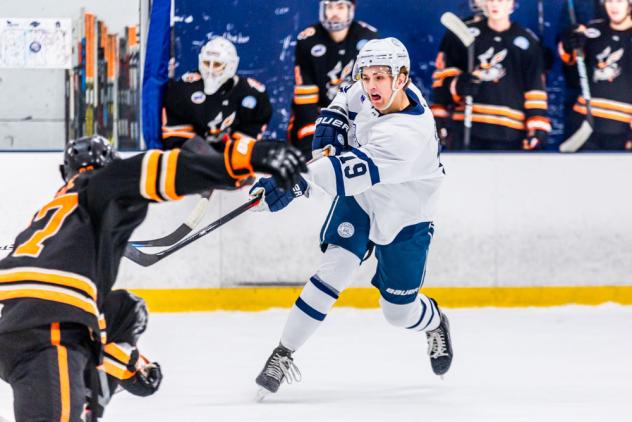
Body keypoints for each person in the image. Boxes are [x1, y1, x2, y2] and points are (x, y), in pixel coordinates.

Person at [0, 134, 306, 421]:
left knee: (120, 311)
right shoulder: (102, 184)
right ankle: (94, 396)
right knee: (122, 313)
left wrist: (135, 371)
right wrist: (243, 157)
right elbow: (164, 168)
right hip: (50, 324)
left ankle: (96, 393)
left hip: (15, 321)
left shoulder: (48, 218)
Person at [250, 38, 454, 397]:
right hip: (363, 199)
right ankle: (283, 354)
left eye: (380, 77)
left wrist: (292, 179)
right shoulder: (379, 89)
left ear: (402, 78)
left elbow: (340, 173)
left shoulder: (408, 136)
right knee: (335, 269)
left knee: (397, 313)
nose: (371, 85)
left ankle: (435, 321)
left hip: (406, 216)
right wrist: (334, 115)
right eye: (367, 75)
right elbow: (347, 93)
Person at [432, 0, 552, 150]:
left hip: (510, 134)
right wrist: (459, 85)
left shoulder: (528, 42)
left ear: (512, 3)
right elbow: (442, 82)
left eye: (501, 0)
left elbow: (535, 89)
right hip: (466, 130)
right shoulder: (465, 34)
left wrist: (536, 128)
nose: (495, 4)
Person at [288, 0, 378, 158]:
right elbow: (305, 101)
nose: (334, 12)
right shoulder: (307, 40)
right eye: (329, 6)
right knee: (310, 154)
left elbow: (374, 89)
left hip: (358, 111)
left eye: (341, 6)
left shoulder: (369, 38)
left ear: (352, 8)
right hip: (318, 113)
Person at [162, 36, 272, 149]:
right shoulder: (184, 88)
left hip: (232, 161)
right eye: (206, 63)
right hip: (192, 161)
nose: (210, 70)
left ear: (231, 65)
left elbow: (247, 145)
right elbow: (176, 140)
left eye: (217, 65)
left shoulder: (252, 94)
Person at [558, 0, 632, 150]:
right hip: (584, 125)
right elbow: (572, 77)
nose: (613, 6)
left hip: (621, 129)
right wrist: (568, 44)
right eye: (609, 1)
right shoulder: (592, 30)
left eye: (619, 1)